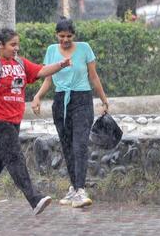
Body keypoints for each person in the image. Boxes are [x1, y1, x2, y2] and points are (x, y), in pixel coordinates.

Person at [0, 28, 71, 217]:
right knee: (15, 157)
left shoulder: (20, 63)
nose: (16, 48)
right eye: (12, 45)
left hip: (13, 120)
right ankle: (34, 198)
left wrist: (61, 65)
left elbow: (40, 70)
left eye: (18, 44)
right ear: (0, 45)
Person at [31, 17, 109, 208]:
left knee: (79, 144)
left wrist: (104, 99)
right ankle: (73, 187)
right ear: (56, 35)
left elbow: (93, 76)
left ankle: (81, 189)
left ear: (74, 35)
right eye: (61, 36)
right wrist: (37, 97)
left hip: (82, 99)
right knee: (66, 146)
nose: (65, 40)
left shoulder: (84, 48)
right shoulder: (51, 51)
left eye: (69, 36)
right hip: (60, 101)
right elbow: (48, 80)